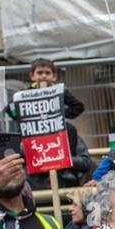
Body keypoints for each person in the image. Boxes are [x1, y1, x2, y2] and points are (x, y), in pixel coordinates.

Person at [25, 60, 94, 189]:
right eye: (40, 73)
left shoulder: (61, 92)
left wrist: (60, 115)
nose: (44, 76)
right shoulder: (25, 94)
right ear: (32, 76)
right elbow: (11, 109)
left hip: (64, 179)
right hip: (36, 181)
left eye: (47, 73)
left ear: (54, 76)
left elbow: (78, 106)